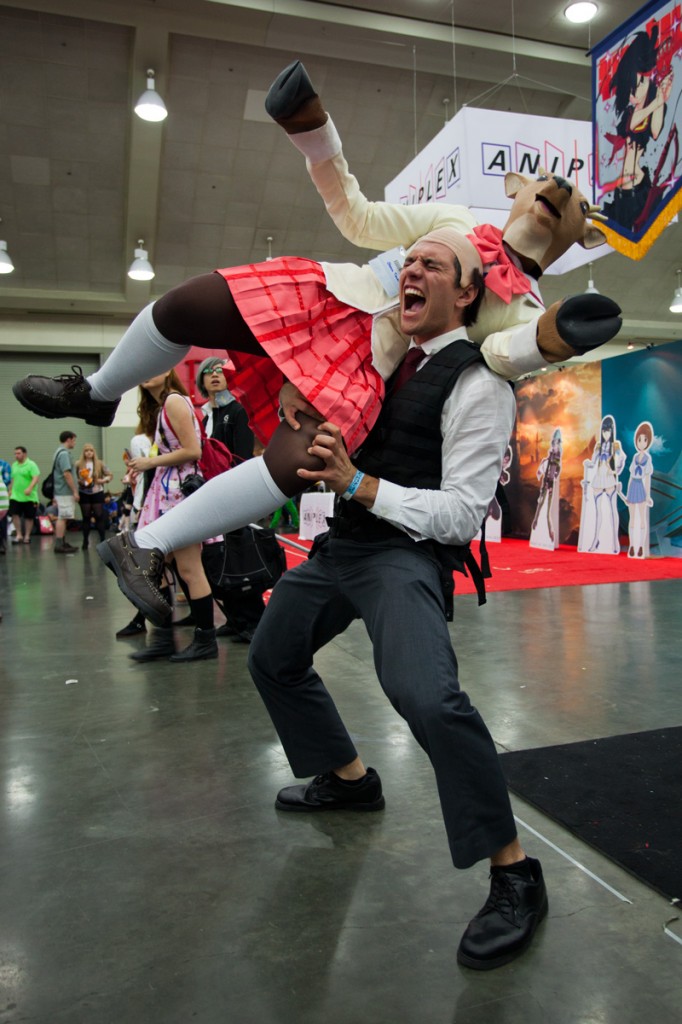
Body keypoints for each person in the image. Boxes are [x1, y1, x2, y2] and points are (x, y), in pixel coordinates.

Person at [11, 62, 620, 622]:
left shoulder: (523, 304)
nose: (559, 189)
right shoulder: (455, 218)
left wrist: (549, 339)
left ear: (581, 237)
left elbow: (494, 356)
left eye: (574, 201)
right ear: (514, 189)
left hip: (366, 365)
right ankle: (96, 391)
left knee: (290, 467)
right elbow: (358, 218)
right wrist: (314, 132)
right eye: (545, 181)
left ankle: (146, 542)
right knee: (188, 304)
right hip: (332, 297)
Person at [247, 228, 546, 972]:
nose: (409, 271)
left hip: (401, 558)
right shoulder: (378, 360)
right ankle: (350, 780)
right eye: (407, 262)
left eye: (431, 266)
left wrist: (356, 482)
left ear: (467, 292)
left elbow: (458, 514)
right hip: (341, 545)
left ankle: (513, 871)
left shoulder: (479, 384)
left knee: (425, 694)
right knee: (272, 655)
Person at [124, 370, 218, 662]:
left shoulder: (175, 401)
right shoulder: (162, 406)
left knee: (188, 569)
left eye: (155, 367)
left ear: (167, 372)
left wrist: (148, 462)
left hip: (178, 493)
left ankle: (203, 641)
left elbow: (193, 450)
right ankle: (165, 640)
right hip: (165, 492)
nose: (146, 372)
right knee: (154, 567)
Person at [195, 356, 265, 642]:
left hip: (232, 492)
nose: (214, 376)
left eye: (219, 372)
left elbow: (242, 457)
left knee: (239, 557)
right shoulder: (202, 414)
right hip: (206, 494)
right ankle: (235, 618)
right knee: (217, 558)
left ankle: (252, 620)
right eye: (208, 372)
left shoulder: (237, 411)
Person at [75, 442, 113, 550]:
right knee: (86, 517)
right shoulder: (78, 464)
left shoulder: (100, 463)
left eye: (91, 450)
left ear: (94, 452)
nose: (89, 453)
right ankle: (85, 541)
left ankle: (102, 540)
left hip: (97, 492)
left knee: (99, 516)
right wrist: (80, 481)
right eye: (86, 451)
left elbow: (110, 475)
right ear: (83, 452)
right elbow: (73, 477)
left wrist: (102, 480)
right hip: (84, 492)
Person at [50, 431, 80, 554]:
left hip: (61, 490)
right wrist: (75, 491)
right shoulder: (64, 454)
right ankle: (59, 544)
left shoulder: (59, 452)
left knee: (65, 516)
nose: (75, 442)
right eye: (74, 440)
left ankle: (62, 541)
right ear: (68, 439)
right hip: (64, 491)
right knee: (63, 517)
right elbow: (66, 474)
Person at [9, 446, 40, 545]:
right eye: (15, 454)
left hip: (29, 496)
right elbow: (13, 478)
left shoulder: (31, 464)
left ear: (24, 454)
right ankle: (19, 535)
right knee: (14, 514)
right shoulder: (14, 465)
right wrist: (10, 490)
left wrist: (30, 488)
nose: (16, 455)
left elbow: (35, 478)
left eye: (18, 453)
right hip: (16, 495)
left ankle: (27, 536)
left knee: (29, 517)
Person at [0, 456, 11, 554]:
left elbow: (8, 479)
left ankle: (2, 542)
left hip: (2, 498)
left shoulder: (4, 465)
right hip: (3, 497)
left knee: (2, 522)